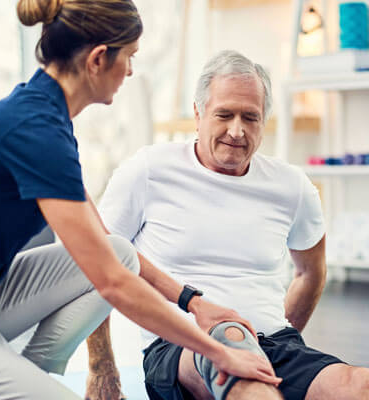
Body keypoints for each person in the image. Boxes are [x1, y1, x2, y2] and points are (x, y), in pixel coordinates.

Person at [0, 1, 281, 399]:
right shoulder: (37, 133)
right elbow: (112, 283)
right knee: (114, 266)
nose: (131, 71)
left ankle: (28, 375)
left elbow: (105, 245)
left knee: (120, 251)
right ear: (99, 59)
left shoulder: (44, 114)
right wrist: (219, 353)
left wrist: (193, 301)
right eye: (129, 56)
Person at [89, 50, 369, 400]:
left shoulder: (292, 186)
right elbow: (96, 260)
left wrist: (276, 335)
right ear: (198, 113)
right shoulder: (148, 170)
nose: (236, 131)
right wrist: (102, 366)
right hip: (180, 349)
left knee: (358, 386)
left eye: (250, 118)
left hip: (274, 343)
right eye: (224, 115)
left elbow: (311, 272)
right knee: (235, 346)